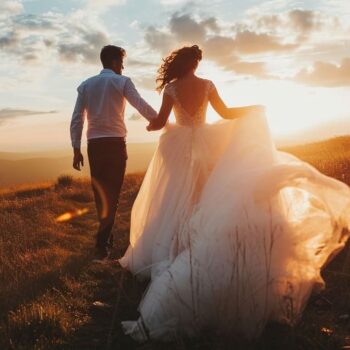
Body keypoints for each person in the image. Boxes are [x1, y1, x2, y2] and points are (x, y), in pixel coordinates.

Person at [120, 45, 350, 342]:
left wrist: (152, 127)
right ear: (195, 63)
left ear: (179, 64)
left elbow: (162, 122)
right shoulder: (206, 85)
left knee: (176, 200)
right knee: (203, 198)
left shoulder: (172, 89)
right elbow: (226, 113)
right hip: (207, 147)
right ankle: (197, 244)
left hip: (179, 149)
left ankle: (176, 250)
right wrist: (253, 110)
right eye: (198, 61)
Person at [70, 45, 158, 260]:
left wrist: (76, 148)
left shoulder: (86, 85)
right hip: (116, 144)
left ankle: (105, 239)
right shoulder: (122, 81)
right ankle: (102, 245)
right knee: (114, 194)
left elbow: (77, 118)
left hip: (95, 145)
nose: (123, 66)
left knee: (100, 193)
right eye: (122, 62)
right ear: (115, 63)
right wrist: (158, 120)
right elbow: (140, 104)